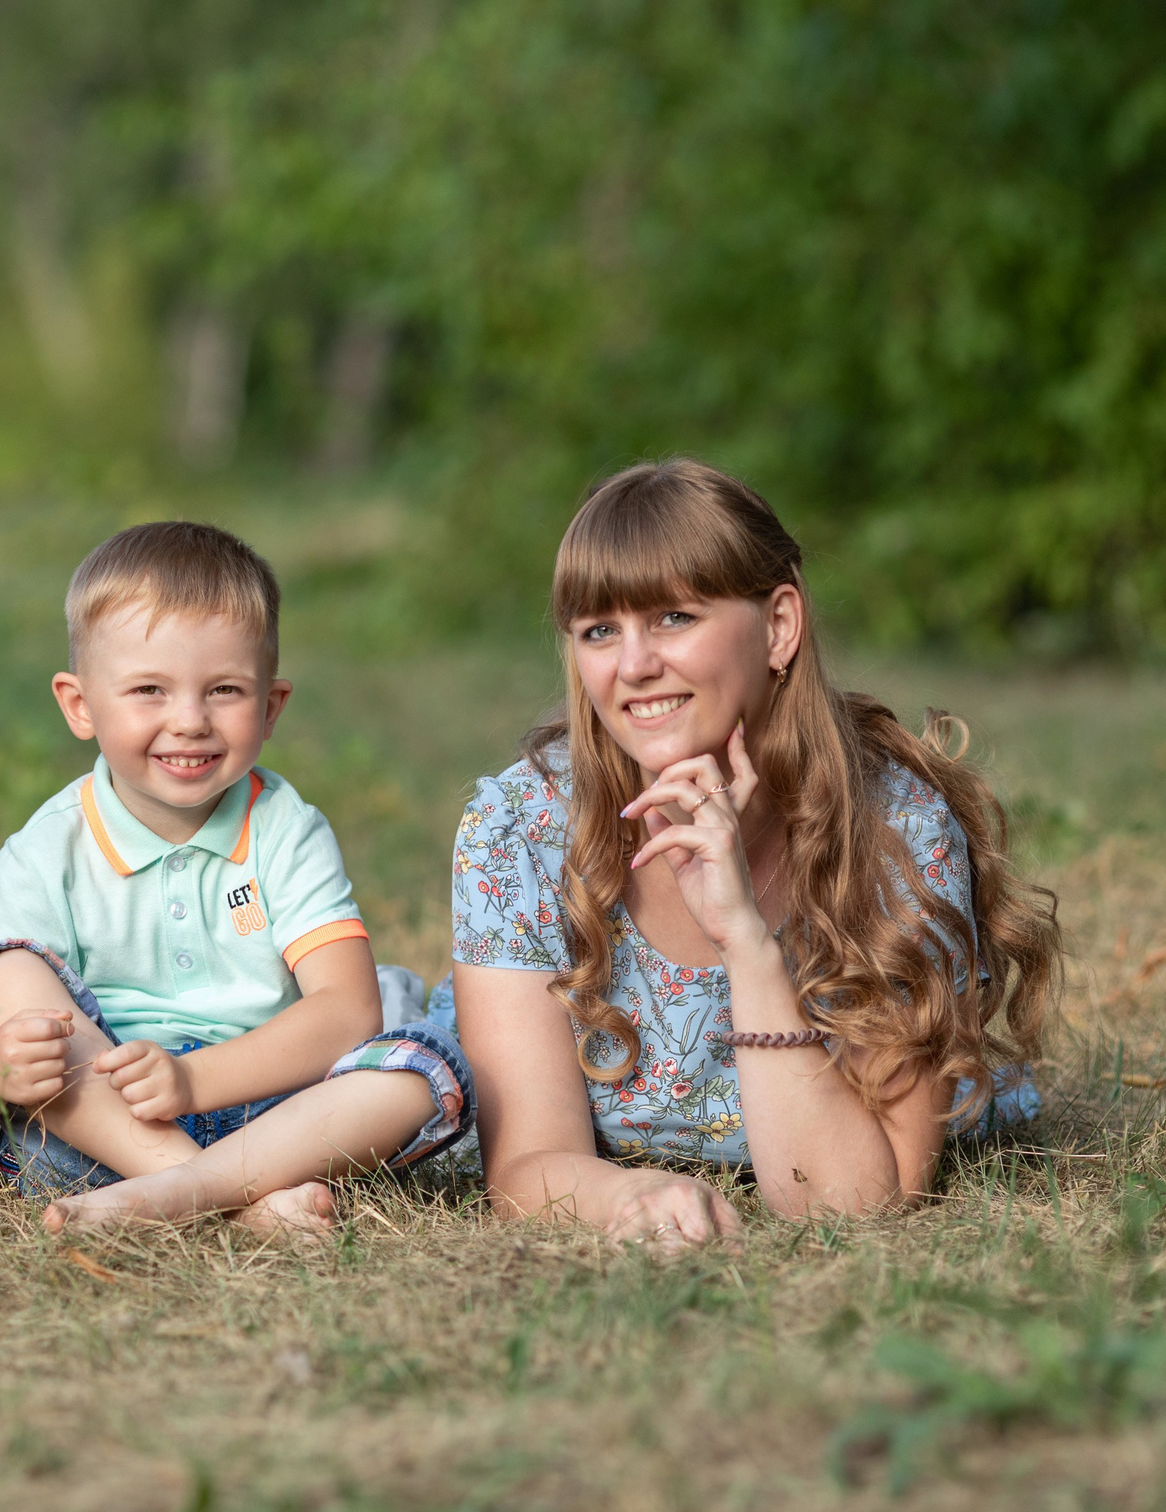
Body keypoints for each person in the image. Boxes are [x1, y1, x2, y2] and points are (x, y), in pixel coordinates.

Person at [446, 459, 1058, 1245]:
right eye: (600, 630)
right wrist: (632, 1194)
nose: (633, 666)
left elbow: (859, 1203)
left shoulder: (895, 832)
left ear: (779, 626)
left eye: (673, 617)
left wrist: (745, 942)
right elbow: (529, 1161)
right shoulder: (520, 832)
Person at [0, 522, 471, 1233]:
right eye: (149, 689)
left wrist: (191, 1080)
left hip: (276, 1115)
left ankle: (183, 1194)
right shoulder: (46, 851)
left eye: (224, 690)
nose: (189, 721)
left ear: (270, 707)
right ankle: (230, 1199)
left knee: (428, 1067)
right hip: (101, 1131)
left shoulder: (284, 829)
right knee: (5, 970)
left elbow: (347, 1011)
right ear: (80, 704)